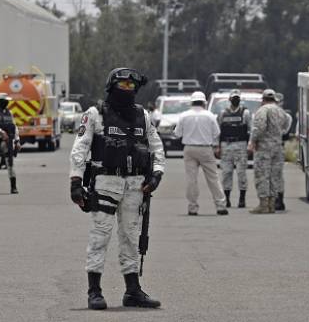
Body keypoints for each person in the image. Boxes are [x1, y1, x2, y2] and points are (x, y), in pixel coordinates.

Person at [69, 68, 165, 310]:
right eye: (122, 85)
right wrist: (75, 182)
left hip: (136, 186)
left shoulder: (142, 115)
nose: (127, 89)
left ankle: (132, 291)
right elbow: (79, 149)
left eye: (131, 86)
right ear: (112, 86)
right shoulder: (95, 114)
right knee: (100, 236)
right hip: (106, 183)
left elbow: (157, 147)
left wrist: (156, 175)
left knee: (131, 237)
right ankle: (94, 291)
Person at [175, 91, 228, 216]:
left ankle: (192, 208)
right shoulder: (209, 116)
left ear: (191, 102)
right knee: (213, 178)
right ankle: (220, 206)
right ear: (204, 102)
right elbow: (216, 133)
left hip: (189, 148)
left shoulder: (184, 115)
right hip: (205, 149)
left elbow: (177, 133)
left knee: (191, 180)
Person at [248, 89, 290, 214]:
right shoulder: (281, 111)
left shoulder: (263, 110)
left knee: (262, 175)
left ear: (263, 99)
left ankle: (263, 205)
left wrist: (252, 141)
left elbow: (259, 127)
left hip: (264, 148)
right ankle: (272, 204)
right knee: (274, 176)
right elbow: (286, 126)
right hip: (277, 147)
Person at [217, 89, 251, 208]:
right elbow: (218, 131)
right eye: (233, 98)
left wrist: (250, 145)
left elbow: (250, 130)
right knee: (226, 172)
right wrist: (217, 146)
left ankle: (242, 199)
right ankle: (227, 198)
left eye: (237, 98)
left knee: (241, 173)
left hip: (240, 144)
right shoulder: (223, 113)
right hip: (226, 145)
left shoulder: (245, 113)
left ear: (240, 100)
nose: (235, 100)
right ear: (229, 100)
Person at [0, 92, 20, 195]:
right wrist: (1, 132)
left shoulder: (9, 113)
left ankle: (13, 187)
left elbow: (14, 127)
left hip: (9, 142)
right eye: (5, 101)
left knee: (11, 165)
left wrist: (17, 141)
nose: (7, 103)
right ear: (0, 101)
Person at [273, 92, 293, 211]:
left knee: (278, 175)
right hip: (267, 147)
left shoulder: (286, 116)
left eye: (279, 102)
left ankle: (279, 200)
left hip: (278, 146)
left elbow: (284, 132)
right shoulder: (267, 115)